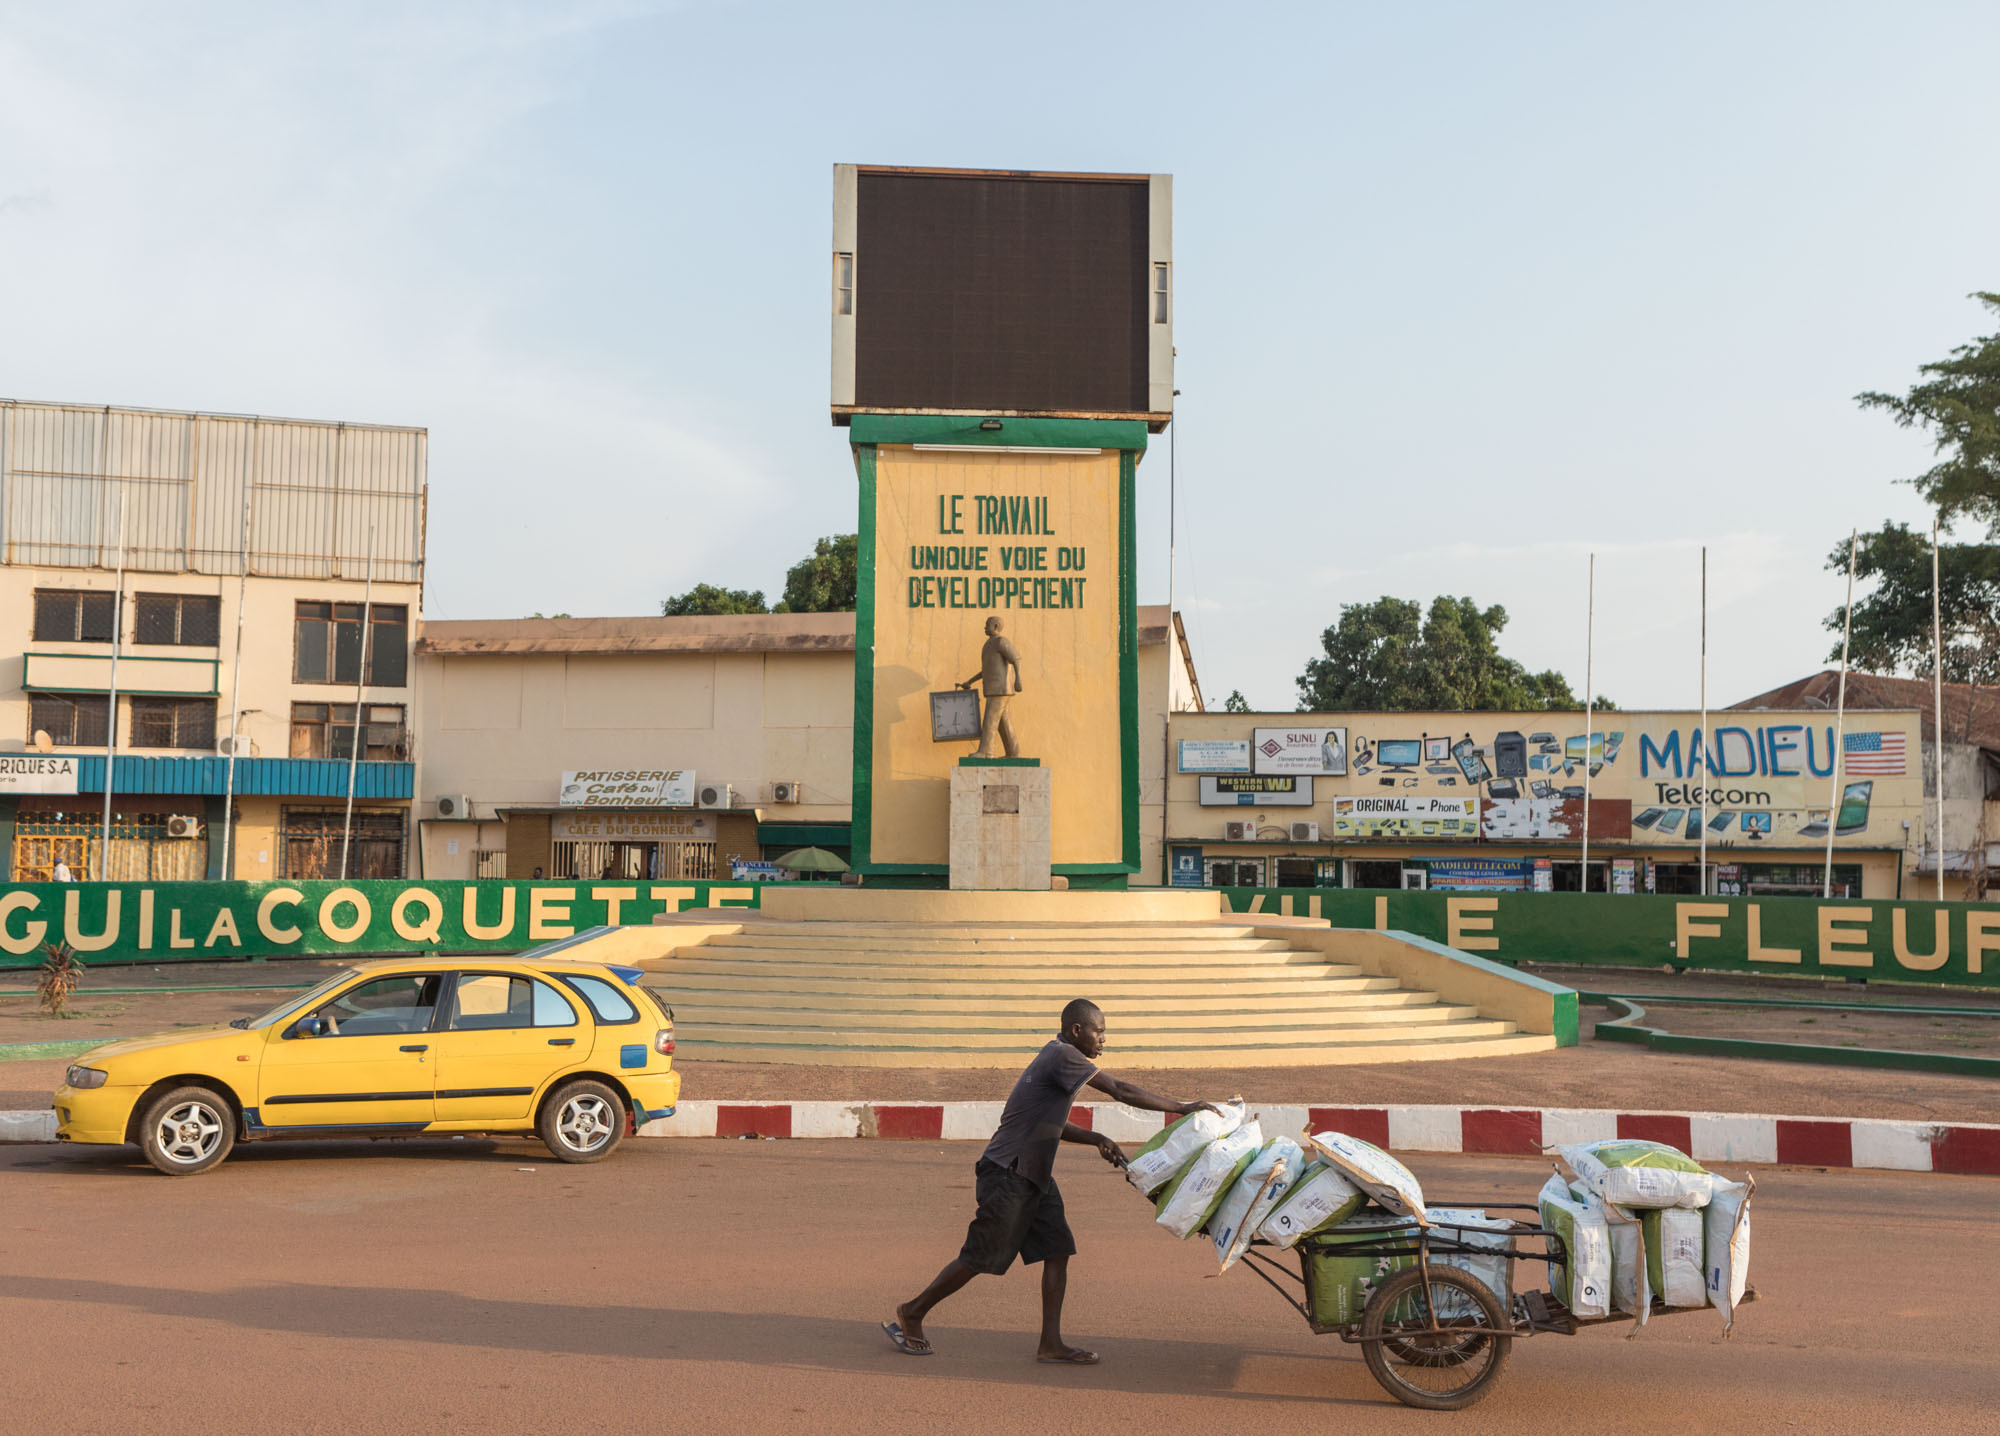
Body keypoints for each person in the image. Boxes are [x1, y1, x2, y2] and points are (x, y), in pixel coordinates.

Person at [883, 999, 1219, 1365]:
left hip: (1033, 1175)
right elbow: (1119, 1089)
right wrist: (1182, 1106)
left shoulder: (1055, 1057)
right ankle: (913, 1311)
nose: (1103, 1040)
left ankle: (1050, 1343)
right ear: (1077, 1030)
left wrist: (1096, 1138)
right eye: (1099, 1031)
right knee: (980, 1256)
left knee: (1057, 1250)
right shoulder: (1064, 1056)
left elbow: (1048, 1123)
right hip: (1008, 1173)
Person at [957, 615, 1022, 759]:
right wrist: (970, 682)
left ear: (996, 626)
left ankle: (986, 752)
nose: (985, 628)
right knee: (1003, 722)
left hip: (1000, 689)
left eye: (987, 625)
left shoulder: (1001, 642)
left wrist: (1018, 679)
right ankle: (1013, 752)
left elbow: (1016, 659)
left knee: (990, 720)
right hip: (993, 689)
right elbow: (985, 670)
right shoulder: (989, 645)